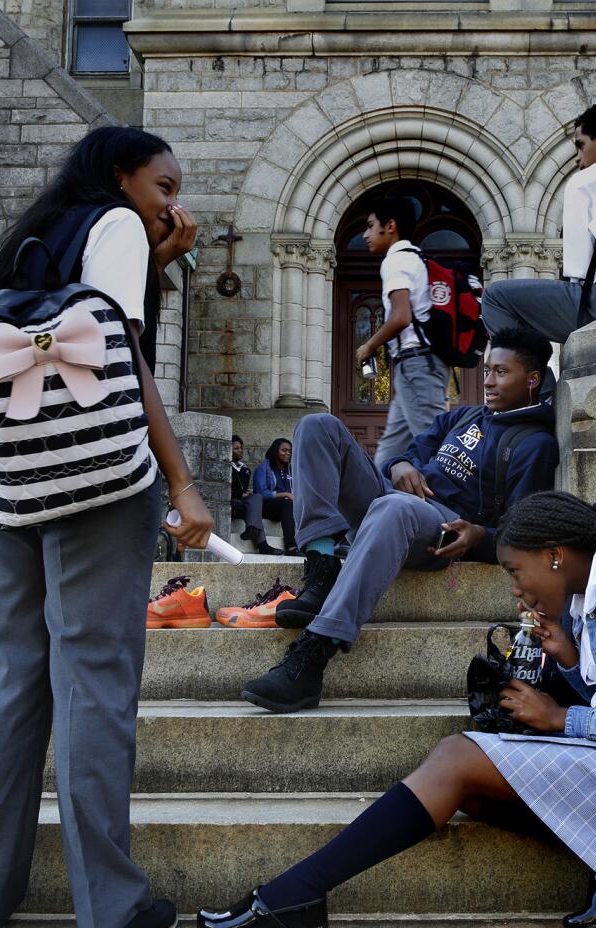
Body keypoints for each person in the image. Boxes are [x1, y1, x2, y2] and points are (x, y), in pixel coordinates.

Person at [197, 491, 596, 928]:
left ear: (553, 555)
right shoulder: (585, 595)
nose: (515, 588)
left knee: (458, 758)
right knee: (475, 793)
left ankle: (294, 898)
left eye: (514, 571)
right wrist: (570, 659)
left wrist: (558, 718)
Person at [0, 126, 214, 928]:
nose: (171, 203)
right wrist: (184, 483)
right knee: (94, 677)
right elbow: (118, 357)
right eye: (164, 184)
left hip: (7, 482)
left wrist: (159, 262)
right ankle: (111, 906)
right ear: (121, 174)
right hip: (96, 482)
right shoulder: (116, 224)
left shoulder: (35, 234)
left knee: (9, 680)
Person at [239, 327, 559, 714]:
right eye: (487, 370)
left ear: (532, 380)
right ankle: (322, 568)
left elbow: (521, 532)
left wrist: (478, 535)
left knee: (393, 509)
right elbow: (406, 452)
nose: (488, 381)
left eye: (500, 373)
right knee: (317, 425)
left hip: (438, 528)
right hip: (389, 500)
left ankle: (313, 655)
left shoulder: (533, 445)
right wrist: (401, 464)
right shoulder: (464, 417)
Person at [480, 100, 596, 346]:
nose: (578, 159)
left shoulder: (588, 178)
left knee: (496, 297)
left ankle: (538, 383)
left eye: (581, 146)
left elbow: (578, 270)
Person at [355, 196, 451, 468]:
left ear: (390, 226)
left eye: (370, 226)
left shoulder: (395, 260)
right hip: (419, 363)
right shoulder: (417, 258)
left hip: (416, 362)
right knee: (388, 453)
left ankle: (458, 508)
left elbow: (401, 317)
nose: (366, 234)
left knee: (436, 447)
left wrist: (369, 345)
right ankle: (375, 504)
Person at [249, 437, 296, 555]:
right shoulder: (264, 468)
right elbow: (261, 493)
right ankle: (290, 546)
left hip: (287, 508)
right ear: (275, 451)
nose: (288, 453)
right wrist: (285, 494)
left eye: (289, 451)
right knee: (287, 502)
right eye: (284, 450)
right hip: (267, 507)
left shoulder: (290, 471)